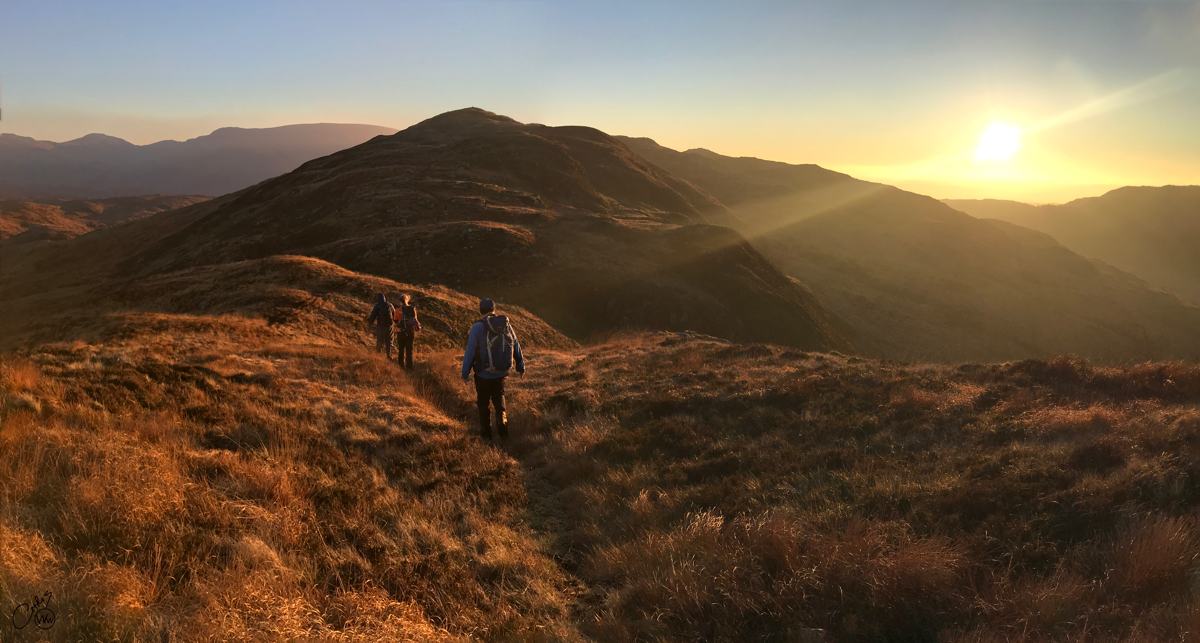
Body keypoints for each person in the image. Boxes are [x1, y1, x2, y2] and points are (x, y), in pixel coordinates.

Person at [461, 297, 524, 441]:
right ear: (493, 309)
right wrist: (520, 365)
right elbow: (515, 344)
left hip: (483, 373)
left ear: (480, 310)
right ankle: (503, 432)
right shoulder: (506, 324)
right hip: (501, 372)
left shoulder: (477, 327)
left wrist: (465, 373)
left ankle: (487, 436)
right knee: (499, 400)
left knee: (483, 404)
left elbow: (470, 351)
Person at [392, 294, 420, 369]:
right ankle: (409, 367)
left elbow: (395, 321)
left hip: (401, 332)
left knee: (401, 349)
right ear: (407, 300)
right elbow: (415, 320)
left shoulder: (397, 310)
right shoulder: (412, 308)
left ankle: (401, 367)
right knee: (409, 350)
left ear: (400, 301)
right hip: (410, 332)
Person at [365, 293, 395, 359]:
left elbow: (373, 316)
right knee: (389, 341)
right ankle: (389, 356)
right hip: (389, 326)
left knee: (379, 341)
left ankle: (378, 355)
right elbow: (394, 315)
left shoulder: (377, 306)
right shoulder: (390, 305)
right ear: (385, 298)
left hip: (380, 326)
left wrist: (369, 323)